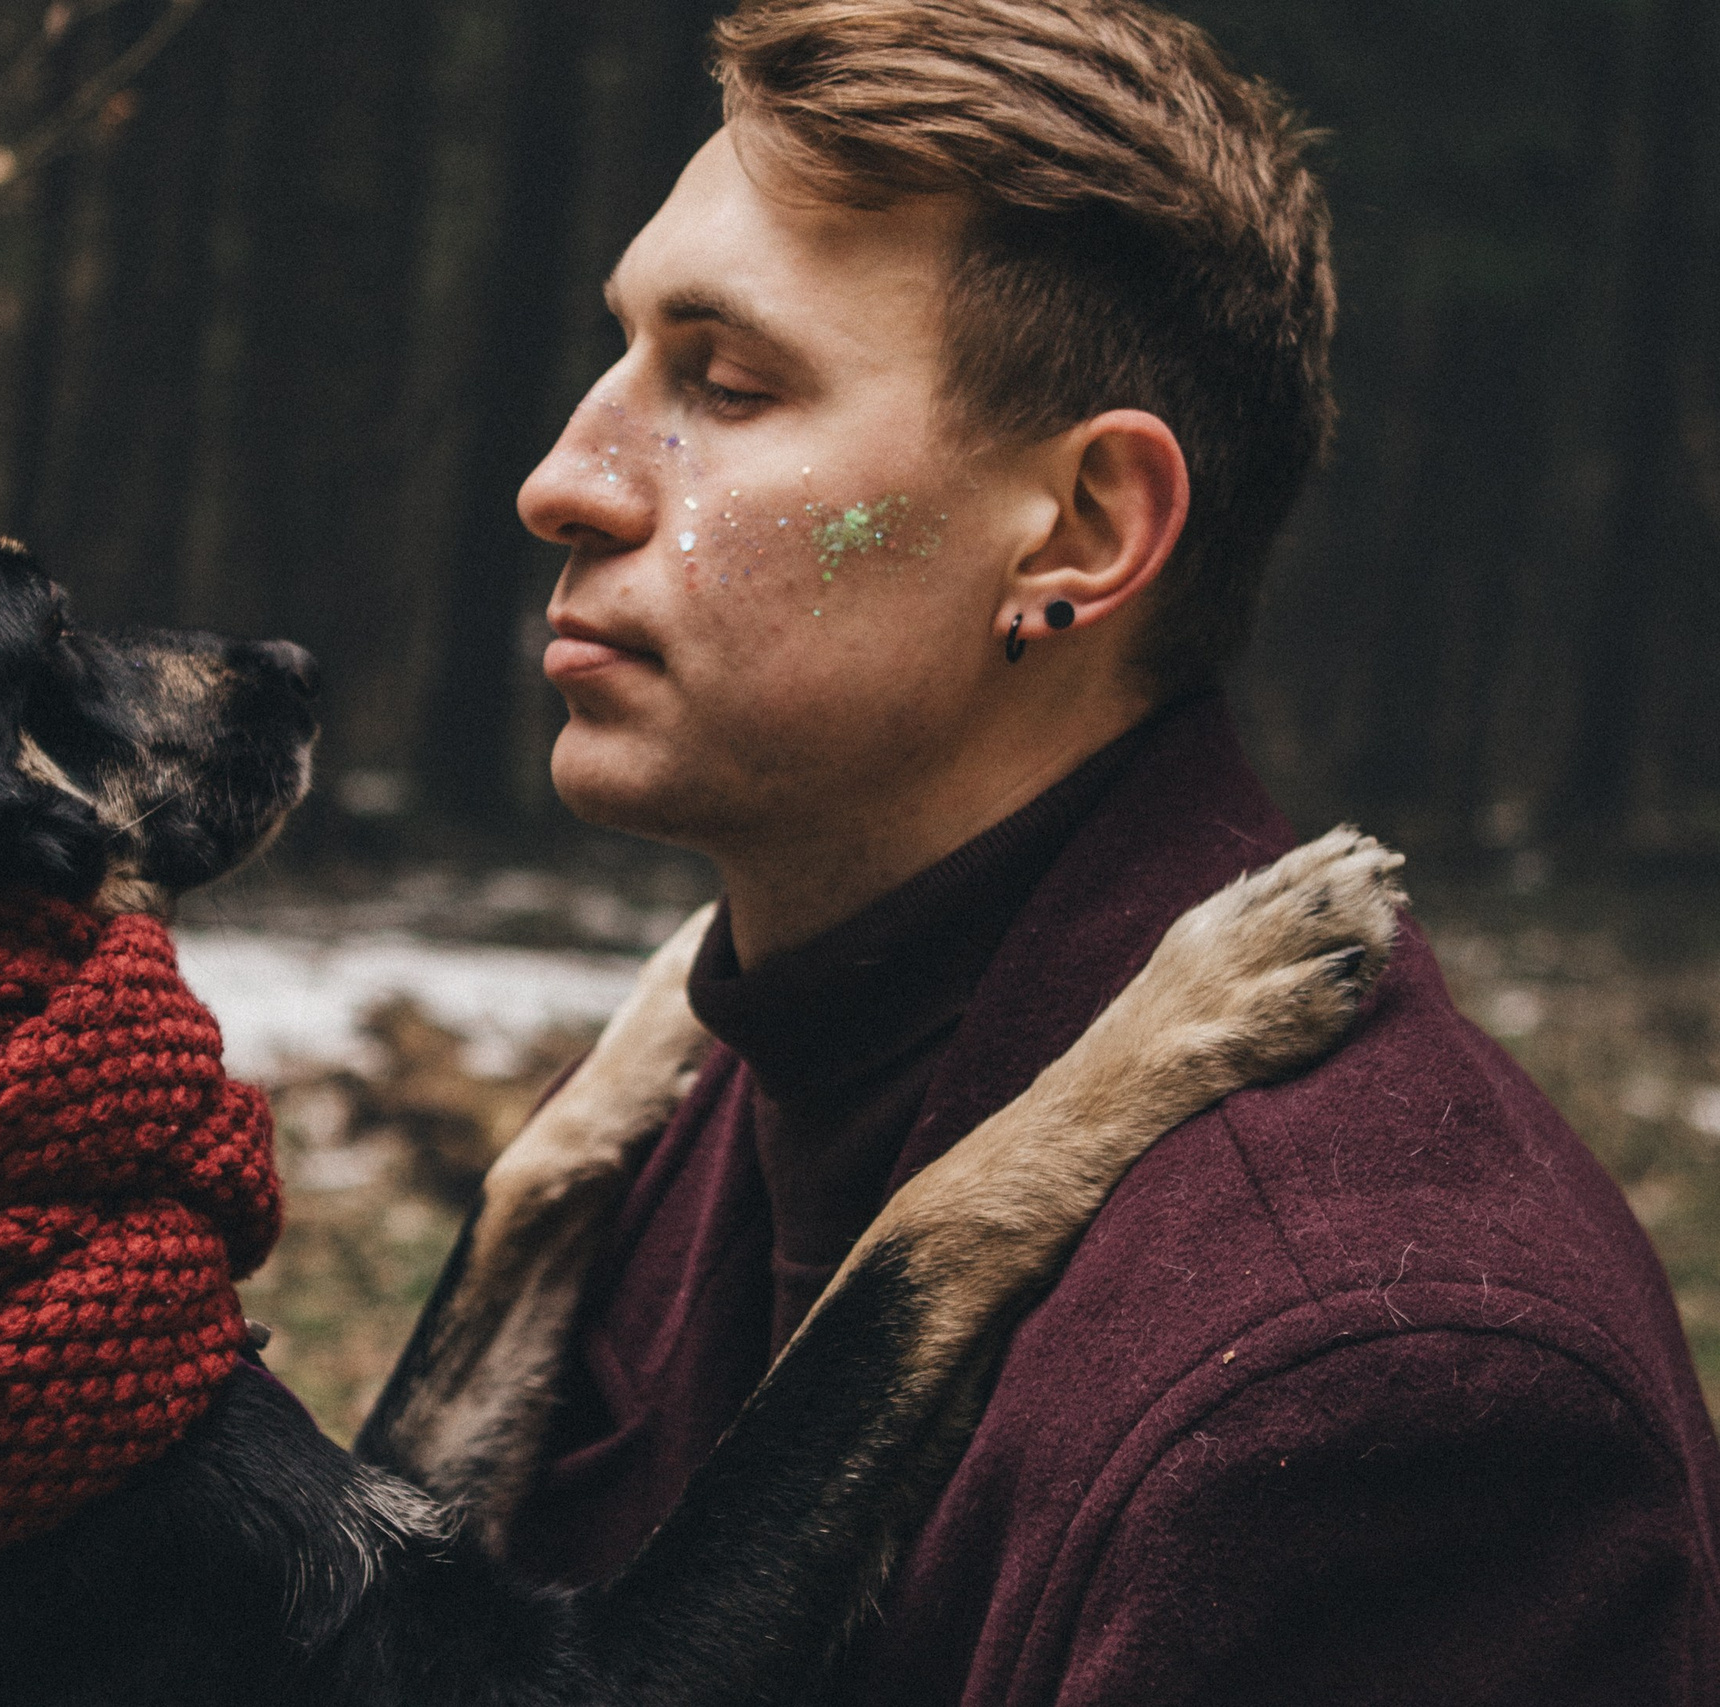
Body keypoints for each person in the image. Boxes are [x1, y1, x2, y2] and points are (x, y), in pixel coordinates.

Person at [439, 0, 1720, 1698]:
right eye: (619, 356)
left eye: (727, 383)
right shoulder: (682, 1109)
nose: (564, 479)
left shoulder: (1382, 1395)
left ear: (1086, 529)